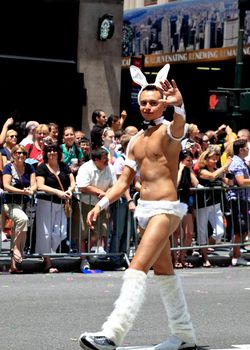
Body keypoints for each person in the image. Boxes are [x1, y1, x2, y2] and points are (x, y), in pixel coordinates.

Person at [79, 63, 197, 350]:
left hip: (165, 210)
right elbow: (122, 183)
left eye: (153, 103)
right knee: (164, 272)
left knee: (136, 267)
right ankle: (184, 335)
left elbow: (181, 125)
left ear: (163, 105)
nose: (147, 107)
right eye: (143, 102)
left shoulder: (170, 131)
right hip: (144, 210)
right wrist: (101, 203)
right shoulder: (134, 141)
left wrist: (179, 105)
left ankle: (112, 334)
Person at [35, 143, 75, 273]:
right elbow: (40, 185)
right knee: (45, 233)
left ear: (58, 152)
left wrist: (70, 190)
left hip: (61, 204)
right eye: (49, 151)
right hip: (46, 203)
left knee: (61, 232)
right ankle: (47, 260)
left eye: (54, 150)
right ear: (46, 153)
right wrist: (57, 192)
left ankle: (48, 253)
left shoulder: (64, 166)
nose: (52, 153)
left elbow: (72, 181)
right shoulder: (42, 167)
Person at [75, 147, 117, 270]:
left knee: (99, 232)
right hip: (83, 203)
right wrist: (100, 192)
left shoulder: (110, 168)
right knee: (82, 233)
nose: (107, 161)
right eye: (104, 159)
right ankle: (84, 260)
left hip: (101, 204)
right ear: (96, 160)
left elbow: (113, 186)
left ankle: (86, 254)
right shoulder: (85, 168)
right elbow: (83, 186)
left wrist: (106, 195)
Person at [195, 148, 233, 267]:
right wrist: (225, 165)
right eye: (212, 159)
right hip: (203, 205)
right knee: (202, 231)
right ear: (205, 160)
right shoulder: (202, 171)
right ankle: (205, 258)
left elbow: (229, 182)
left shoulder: (218, 170)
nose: (215, 161)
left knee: (219, 232)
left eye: (216, 159)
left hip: (216, 204)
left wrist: (228, 172)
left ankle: (203, 247)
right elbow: (211, 176)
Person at [2, 144, 37, 273]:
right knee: (22, 220)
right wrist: (22, 192)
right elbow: (6, 186)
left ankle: (14, 266)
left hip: (26, 204)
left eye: (23, 153)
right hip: (10, 203)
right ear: (13, 154)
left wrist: (30, 190)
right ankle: (16, 249)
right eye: (18, 153)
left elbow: (34, 185)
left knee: (21, 231)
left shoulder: (29, 167)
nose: (21, 155)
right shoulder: (8, 167)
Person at [172, 150, 199, 269]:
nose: (190, 162)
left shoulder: (189, 170)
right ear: (181, 161)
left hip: (186, 202)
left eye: (191, 160)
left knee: (189, 233)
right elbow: (175, 184)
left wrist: (190, 169)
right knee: (176, 232)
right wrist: (181, 169)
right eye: (188, 160)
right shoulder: (176, 170)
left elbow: (196, 183)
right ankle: (174, 259)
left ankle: (182, 257)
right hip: (175, 203)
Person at [228, 139, 250, 266]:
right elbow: (241, 181)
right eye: (246, 148)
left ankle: (235, 252)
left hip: (244, 199)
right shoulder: (237, 163)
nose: (248, 150)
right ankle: (236, 257)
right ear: (241, 150)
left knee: (244, 229)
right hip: (238, 199)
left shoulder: (240, 162)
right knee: (240, 229)